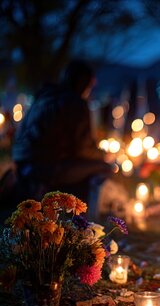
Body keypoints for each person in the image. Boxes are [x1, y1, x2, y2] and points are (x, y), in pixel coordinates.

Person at [8, 60, 115, 210]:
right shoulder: (75, 102)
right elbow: (82, 150)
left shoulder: (44, 96)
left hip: (23, 166)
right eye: (90, 85)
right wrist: (103, 155)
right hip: (46, 168)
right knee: (106, 167)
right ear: (84, 83)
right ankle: (82, 214)